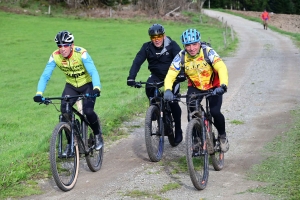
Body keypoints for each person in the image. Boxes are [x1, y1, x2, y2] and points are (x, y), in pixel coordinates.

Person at [33, 30, 103, 154]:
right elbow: (45, 75)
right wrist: (39, 93)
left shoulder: (81, 53)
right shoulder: (55, 56)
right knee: (65, 112)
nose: (62, 49)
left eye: (65, 45)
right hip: (71, 86)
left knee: (88, 111)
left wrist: (96, 88)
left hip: (87, 85)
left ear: (72, 45)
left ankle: (97, 135)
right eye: (60, 46)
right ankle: (72, 142)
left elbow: (93, 71)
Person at [163, 28, 229, 152]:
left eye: (194, 44)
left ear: (199, 43)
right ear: (184, 46)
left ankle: (222, 136)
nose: (192, 48)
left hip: (214, 85)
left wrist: (223, 85)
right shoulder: (181, 56)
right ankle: (197, 139)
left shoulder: (208, 52)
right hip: (195, 86)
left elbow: (221, 67)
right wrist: (167, 90)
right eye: (188, 45)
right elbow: (171, 74)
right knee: (192, 112)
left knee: (215, 112)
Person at [127, 24, 184, 146]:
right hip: (157, 76)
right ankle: (155, 109)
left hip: (173, 76)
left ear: (163, 35)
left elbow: (182, 59)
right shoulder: (147, 47)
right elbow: (137, 61)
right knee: (149, 86)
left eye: (159, 36)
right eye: (153, 37)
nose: (156, 39)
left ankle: (178, 129)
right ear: (150, 38)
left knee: (173, 102)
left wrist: (182, 74)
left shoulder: (171, 45)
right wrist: (131, 77)